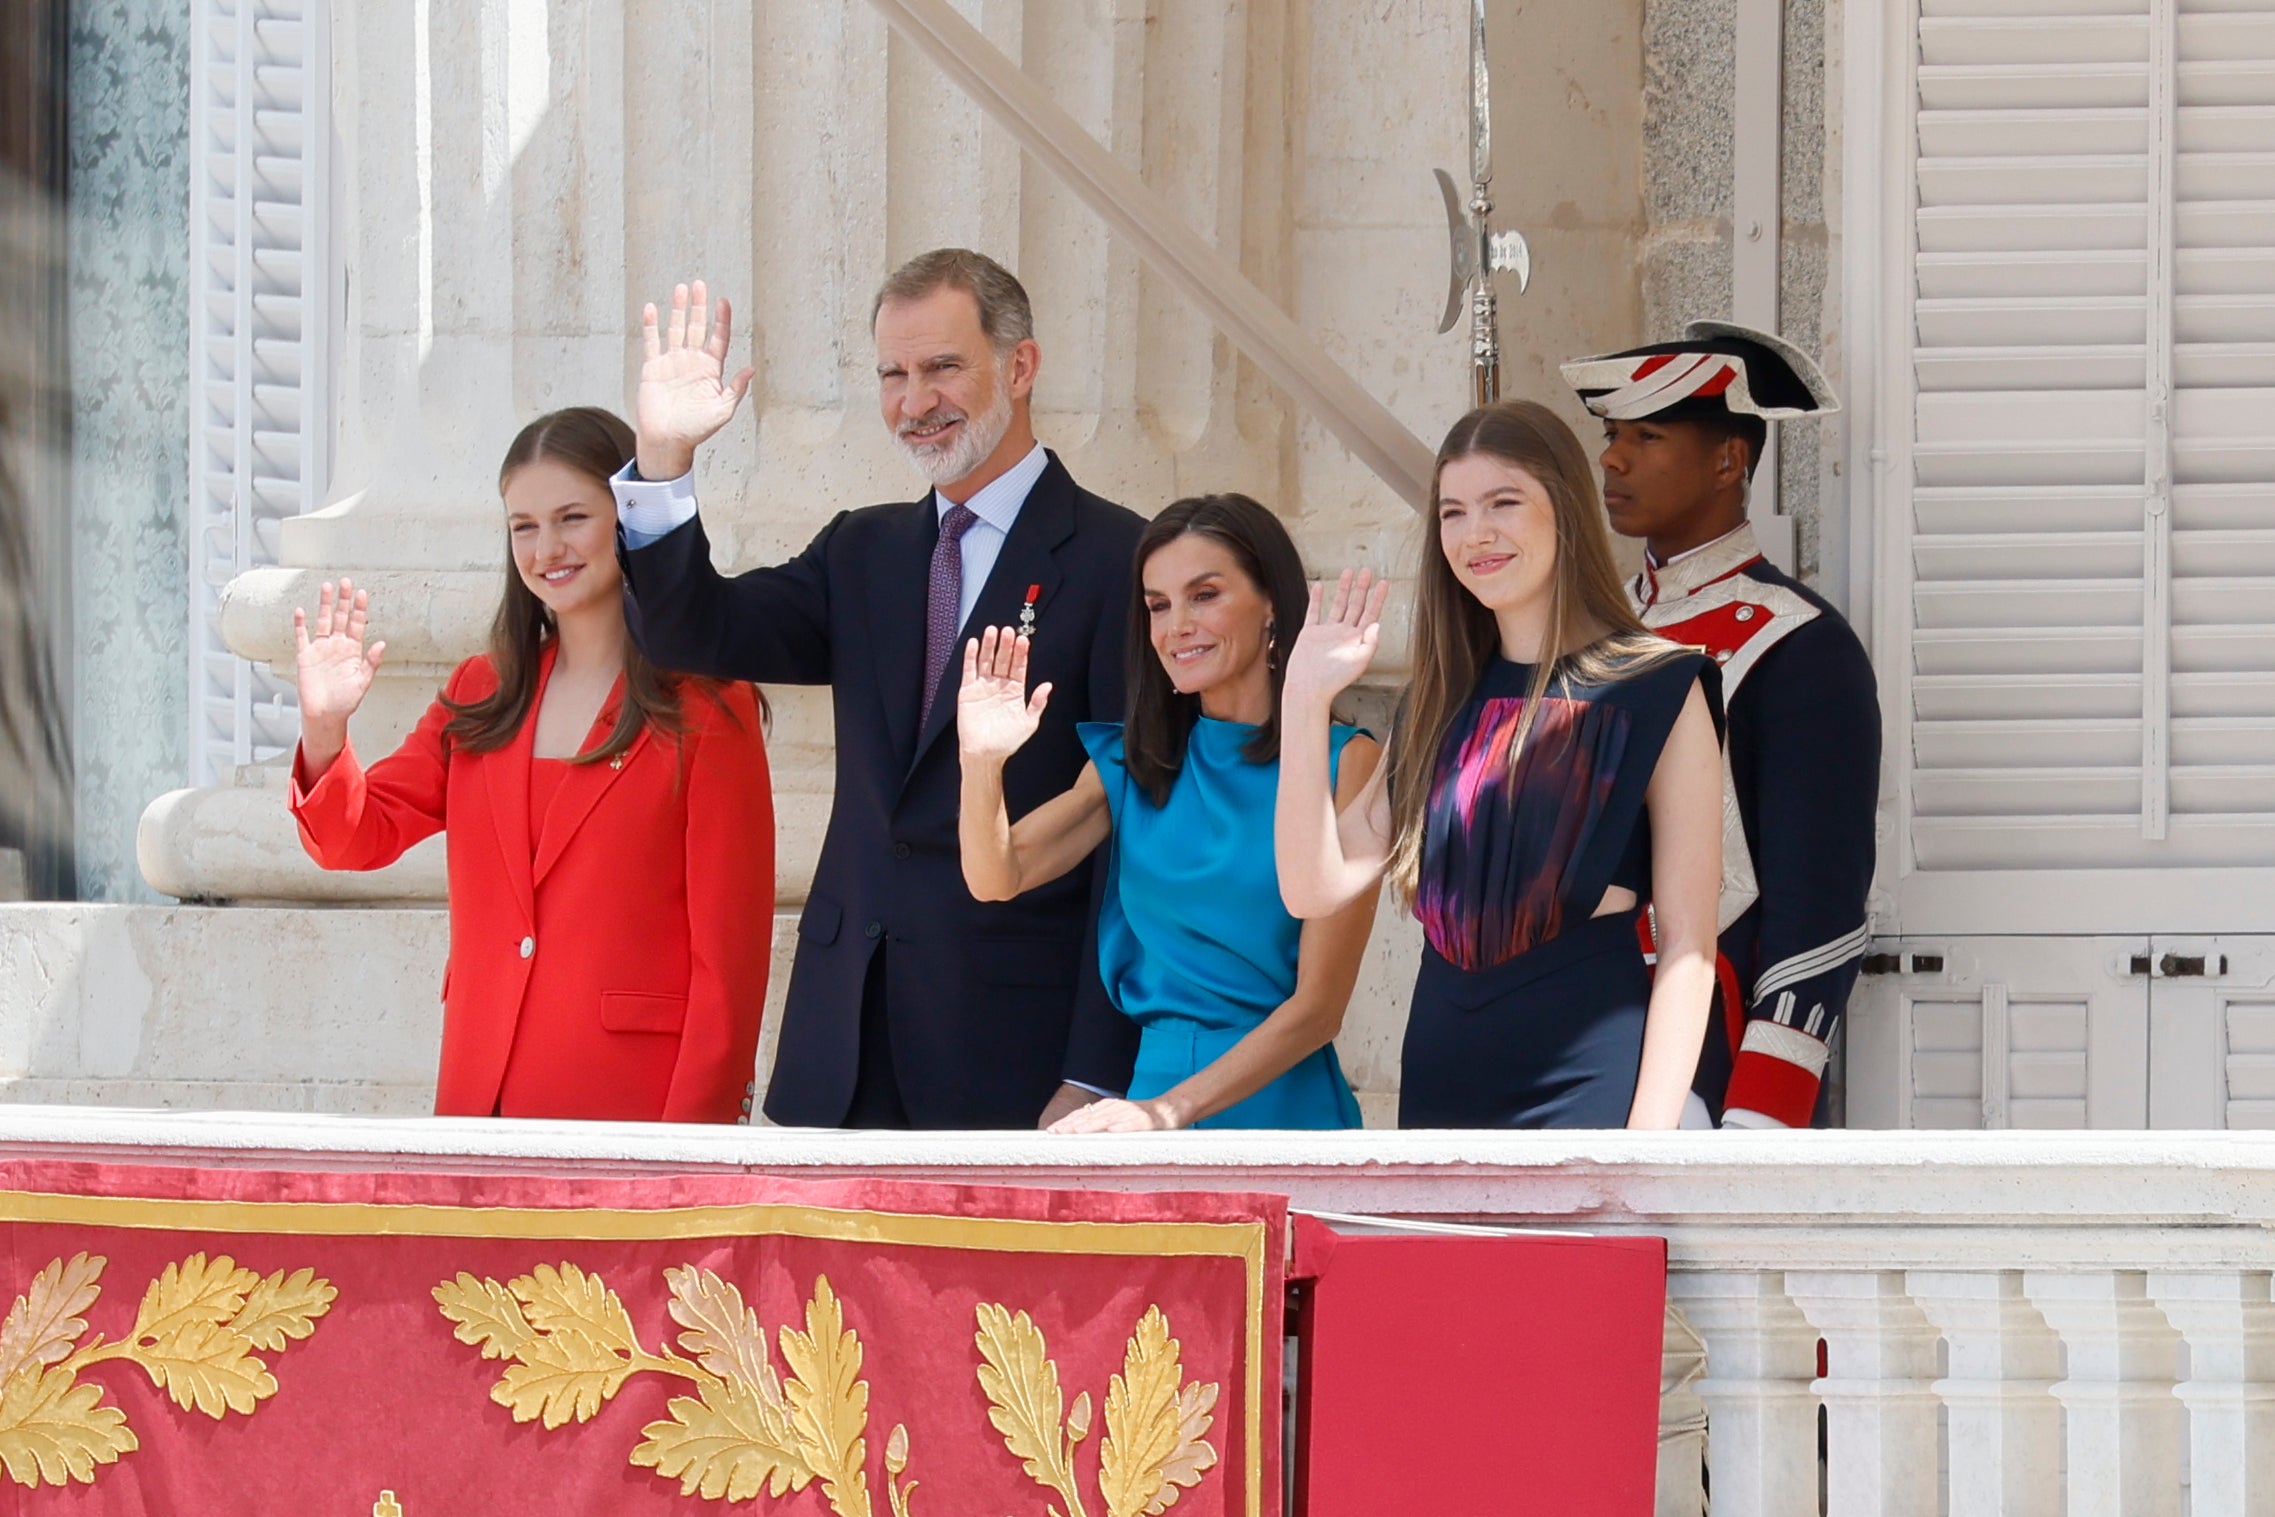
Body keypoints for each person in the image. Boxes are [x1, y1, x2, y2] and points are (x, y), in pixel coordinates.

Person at [612, 252, 1145, 1130]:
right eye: (892, 374)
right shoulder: (863, 551)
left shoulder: (1116, 558)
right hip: (843, 1044)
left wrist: (1095, 1069)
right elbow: (690, 629)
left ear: (1019, 367)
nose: (913, 401)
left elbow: (1131, 831)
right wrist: (665, 457)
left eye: (941, 367)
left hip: (1017, 1050)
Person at [289, 407, 774, 1123]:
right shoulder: (481, 692)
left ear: (626, 517)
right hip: (479, 1109)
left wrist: (689, 1161)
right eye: (523, 525)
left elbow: (729, 970)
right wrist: (325, 729)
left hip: (636, 1118)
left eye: (572, 516)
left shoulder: (708, 706)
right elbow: (351, 836)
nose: (547, 547)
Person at [1275, 400, 1723, 1128]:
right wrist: (1302, 700)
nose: (1473, 532)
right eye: (1452, 512)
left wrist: (1646, 1146)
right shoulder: (1439, 697)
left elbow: (1687, 944)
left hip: (1588, 1085)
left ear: (1564, 510)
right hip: (1439, 1080)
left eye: (1503, 502)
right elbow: (1311, 888)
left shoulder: (1659, 684)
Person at [957, 495, 1382, 1131]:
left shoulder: (1345, 762)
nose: (1175, 625)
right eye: (1158, 605)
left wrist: (1166, 1112)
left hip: (1277, 1112)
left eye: (1204, 595)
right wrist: (982, 765)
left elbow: (1319, 1008)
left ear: (1271, 603)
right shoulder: (1135, 760)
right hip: (1145, 1108)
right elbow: (996, 877)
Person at [1563, 321, 1879, 1130]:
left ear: (1728, 460)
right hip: (1568, 1038)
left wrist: (1761, 1113)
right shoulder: (1592, 630)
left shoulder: (1799, 643)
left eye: (1647, 436)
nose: (1612, 459)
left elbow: (1819, 908)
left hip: (1709, 1051)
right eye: (1610, 436)